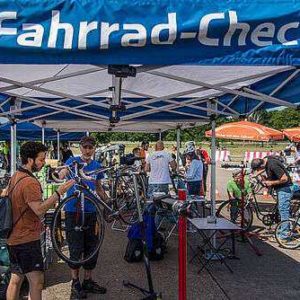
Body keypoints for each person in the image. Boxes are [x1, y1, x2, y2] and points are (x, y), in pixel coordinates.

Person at [6, 141, 74, 300]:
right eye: (41, 159)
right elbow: (39, 209)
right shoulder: (30, 182)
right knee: (37, 281)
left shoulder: (15, 176)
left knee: (16, 278)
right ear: (30, 160)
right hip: (26, 239)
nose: (44, 163)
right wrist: (59, 193)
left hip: (14, 238)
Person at [59, 136, 108, 299]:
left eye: (90, 147)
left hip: (92, 211)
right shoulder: (72, 161)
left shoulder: (97, 166)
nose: (88, 150)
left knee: (92, 247)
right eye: (85, 147)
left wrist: (108, 202)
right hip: (74, 211)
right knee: (75, 247)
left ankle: (88, 280)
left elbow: (99, 187)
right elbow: (61, 174)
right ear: (80, 148)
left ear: (94, 148)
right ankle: (75, 282)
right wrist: (62, 172)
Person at [251, 156, 293, 241]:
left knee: (283, 210)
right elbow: (263, 169)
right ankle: (282, 230)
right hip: (280, 189)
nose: (259, 170)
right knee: (280, 210)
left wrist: (271, 182)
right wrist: (255, 175)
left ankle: (284, 236)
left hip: (285, 188)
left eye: (258, 169)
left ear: (261, 165)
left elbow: (285, 179)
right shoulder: (266, 160)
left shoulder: (273, 165)